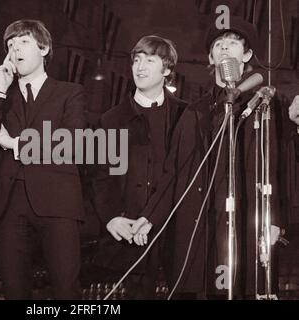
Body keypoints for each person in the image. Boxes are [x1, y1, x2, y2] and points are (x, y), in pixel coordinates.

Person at [132, 17, 284, 299]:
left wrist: (273, 219)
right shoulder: (195, 112)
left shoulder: (265, 105)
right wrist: (149, 216)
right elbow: (175, 172)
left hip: (248, 222)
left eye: (234, 43)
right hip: (201, 226)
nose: (225, 48)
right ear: (211, 57)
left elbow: (279, 166)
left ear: (247, 55)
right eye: (219, 44)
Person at [0, 19, 86, 299]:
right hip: (9, 204)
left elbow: (69, 141)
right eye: (10, 45)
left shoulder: (70, 93)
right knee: (14, 290)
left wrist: (13, 144)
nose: (15, 50)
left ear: (44, 48)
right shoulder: (0, 98)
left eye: (23, 42)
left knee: (66, 289)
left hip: (58, 203)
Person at [92, 35, 187, 298]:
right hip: (129, 231)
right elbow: (102, 177)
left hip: (176, 230)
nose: (140, 67)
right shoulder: (110, 120)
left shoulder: (186, 116)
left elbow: (188, 174)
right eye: (136, 60)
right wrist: (112, 217)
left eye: (149, 60)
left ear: (167, 69)